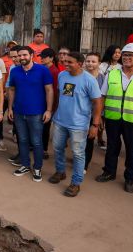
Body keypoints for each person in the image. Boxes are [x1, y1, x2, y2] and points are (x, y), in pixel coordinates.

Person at [97, 42, 133, 193]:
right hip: (113, 118)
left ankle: (130, 178)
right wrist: (99, 116)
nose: (127, 58)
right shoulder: (112, 73)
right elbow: (103, 96)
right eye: (125, 55)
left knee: (132, 150)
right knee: (112, 147)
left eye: (131, 55)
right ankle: (109, 172)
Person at [49, 51, 103, 197]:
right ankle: (60, 172)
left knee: (78, 154)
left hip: (79, 125)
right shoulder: (62, 75)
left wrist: (95, 125)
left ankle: (76, 183)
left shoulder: (89, 80)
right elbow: (62, 96)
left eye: (69, 62)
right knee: (58, 148)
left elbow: (98, 103)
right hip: (60, 121)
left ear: (80, 64)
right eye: (65, 61)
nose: (65, 64)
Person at [7, 46, 54, 182]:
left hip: (37, 113)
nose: (22, 58)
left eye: (24, 55)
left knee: (36, 141)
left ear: (32, 55)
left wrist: (49, 110)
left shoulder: (43, 70)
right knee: (22, 140)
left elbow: (49, 90)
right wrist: (10, 108)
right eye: (19, 55)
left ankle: (37, 167)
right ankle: (25, 164)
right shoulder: (15, 71)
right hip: (19, 112)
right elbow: (11, 90)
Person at [83, 52, 106, 172]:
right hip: (80, 113)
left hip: (93, 114)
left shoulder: (102, 78)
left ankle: (85, 164)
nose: (90, 64)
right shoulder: (80, 75)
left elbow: (102, 99)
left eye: (93, 61)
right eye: (88, 61)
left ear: (99, 63)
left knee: (89, 140)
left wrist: (100, 117)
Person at [39, 47, 60, 158]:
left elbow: (55, 91)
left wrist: (52, 108)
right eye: (41, 57)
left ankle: (44, 149)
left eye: (44, 57)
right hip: (40, 102)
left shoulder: (55, 71)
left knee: (45, 127)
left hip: (49, 104)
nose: (42, 59)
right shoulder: (42, 69)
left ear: (51, 58)